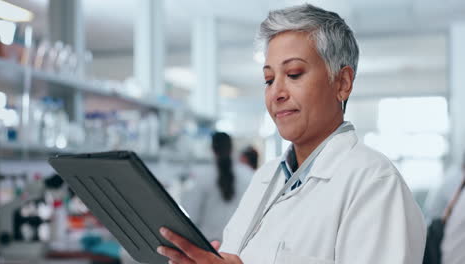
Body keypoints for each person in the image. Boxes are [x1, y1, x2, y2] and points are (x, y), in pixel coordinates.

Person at [156, 4, 426, 264]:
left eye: (294, 74)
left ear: (342, 83)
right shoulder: (265, 177)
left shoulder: (374, 183)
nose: (276, 93)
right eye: (269, 79)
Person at [181, 132, 253, 242]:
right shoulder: (248, 174)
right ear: (232, 148)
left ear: (212, 149)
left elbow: (191, 215)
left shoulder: (202, 176)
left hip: (208, 245)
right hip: (239, 245)